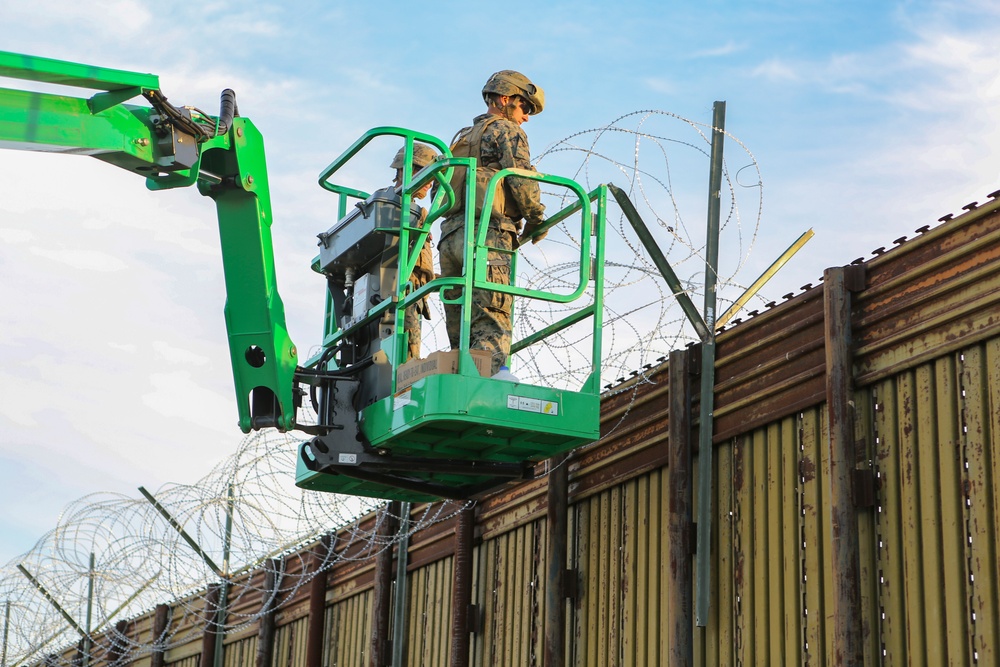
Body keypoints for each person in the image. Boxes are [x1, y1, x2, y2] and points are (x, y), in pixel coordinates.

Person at [437, 70, 548, 375]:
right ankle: (488, 386)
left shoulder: (461, 137)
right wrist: (537, 218)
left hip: (451, 238)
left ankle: (461, 379)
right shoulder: (507, 130)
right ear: (504, 99)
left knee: (460, 324)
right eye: (524, 107)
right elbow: (520, 180)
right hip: (487, 236)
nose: (526, 117)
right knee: (491, 317)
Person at [384, 143, 440, 361]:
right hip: (398, 294)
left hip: (409, 292)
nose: (430, 183)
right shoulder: (390, 205)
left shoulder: (412, 210)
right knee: (404, 360)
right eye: (425, 173)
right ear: (406, 170)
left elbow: (418, 268)